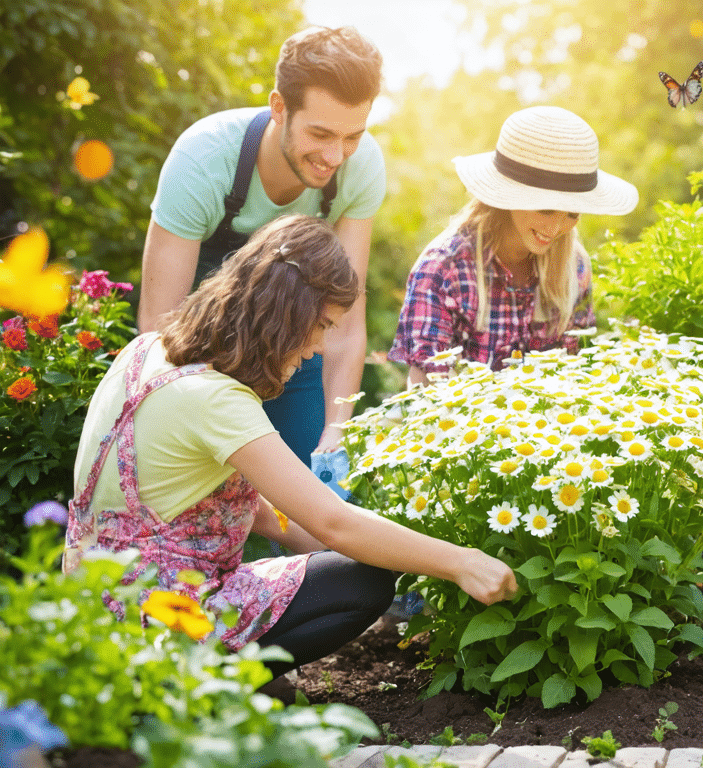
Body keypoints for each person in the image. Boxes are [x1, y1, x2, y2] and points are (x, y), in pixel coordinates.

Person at [65, 215, 517, 685]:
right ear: (284, 312)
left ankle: (230, 678)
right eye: (321, 325)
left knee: (364, 563)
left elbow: (259, 515)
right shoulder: (216, 400)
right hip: (162, 621)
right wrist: (462, 562)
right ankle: (208, 685)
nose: (321, 346)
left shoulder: (147, 350)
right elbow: (334, 522)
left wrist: (395, 551)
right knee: (363, 582)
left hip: (102, 605)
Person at [137, 26, 385, 461]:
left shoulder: (360, 168)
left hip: (299, 343)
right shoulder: (204, 159)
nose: (335, 157)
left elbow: (344, 321)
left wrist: (336, 432)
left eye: (352, 136)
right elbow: (160, 326)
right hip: (200, 346)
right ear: (278, 107)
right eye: (321, 134)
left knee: (308, 481)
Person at [389, 106, 637, 383]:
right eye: (546, 209)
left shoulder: (574, 266)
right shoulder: (444, 270)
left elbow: (574, 378)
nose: (554, 229)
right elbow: (426, 396)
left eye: (572, 214)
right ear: (510, 197)